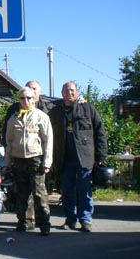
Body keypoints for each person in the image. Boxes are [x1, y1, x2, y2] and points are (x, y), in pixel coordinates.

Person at [48, 81, 107, 232]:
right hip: (63, 157)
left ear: (77, 92)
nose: (70, 93)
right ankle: (70, 219)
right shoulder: (55, 111)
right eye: (67, 91)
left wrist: (101, 154)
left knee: (84, 190)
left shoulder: (87, 108)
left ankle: (86, 220)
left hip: (84, 157)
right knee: (67, 190)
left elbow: (100, 131)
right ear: (62, 93)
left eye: (72, 90)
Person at [4, 87, 53, 236]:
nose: (26, 101)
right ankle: (25, 222)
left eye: (29, 98)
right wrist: (7, 164)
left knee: (39, 193)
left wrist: (47, 162)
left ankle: (44, 223)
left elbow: (48, 141)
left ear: (34, 99)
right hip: (19, 159)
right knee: (22, 193)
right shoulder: (13, 118)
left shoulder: (41, 116)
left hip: (35, 158)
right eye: (22, 98)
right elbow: (9, 142)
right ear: (19, 100)